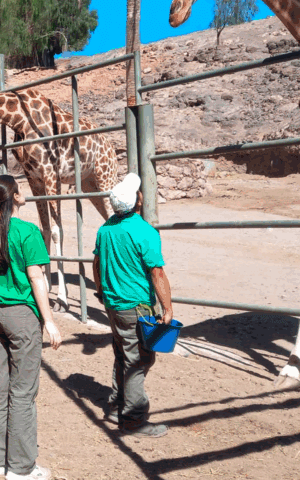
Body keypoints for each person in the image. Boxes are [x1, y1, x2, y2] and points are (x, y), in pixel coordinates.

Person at [0, 175, 62, 480]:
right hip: (22, 317)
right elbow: (36, 279)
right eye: (20, 190)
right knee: (22, 393)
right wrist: (49, 320)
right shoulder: (28, 232)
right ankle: (21, 467)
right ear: (16, 197)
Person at [92, 172, 174, 438]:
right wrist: (167, 308)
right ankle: (134, 419)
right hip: (136, 306)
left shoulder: (105, 229)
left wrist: (101, 291)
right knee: (139, 360)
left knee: (122, 353)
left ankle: (118, 405)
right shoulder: (145, 232)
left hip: (113, 305)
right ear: (138, 201)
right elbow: (157, 273)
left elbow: (95, 264)